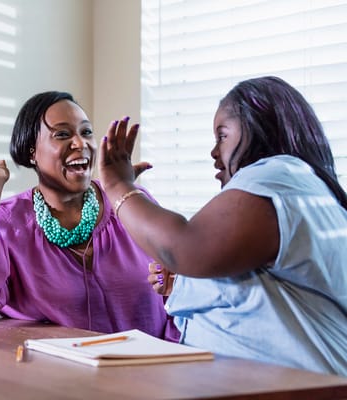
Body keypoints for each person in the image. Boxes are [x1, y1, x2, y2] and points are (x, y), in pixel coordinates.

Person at [98, 76, 347, 376]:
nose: (214, 153)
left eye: (222, 136)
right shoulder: (302, 188)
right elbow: (263, 299)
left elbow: (185, 247)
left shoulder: (278, 174)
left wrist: (117, 185)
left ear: (260, 129)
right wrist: (182, 283)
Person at [0, 91, 178, 339]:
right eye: (62, 134)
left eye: (86, 132)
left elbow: (180, 286)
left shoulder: (129, 201)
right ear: (32, 150)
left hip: (152, 366)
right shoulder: (6, 224)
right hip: (60, 373)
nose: (80, 143)